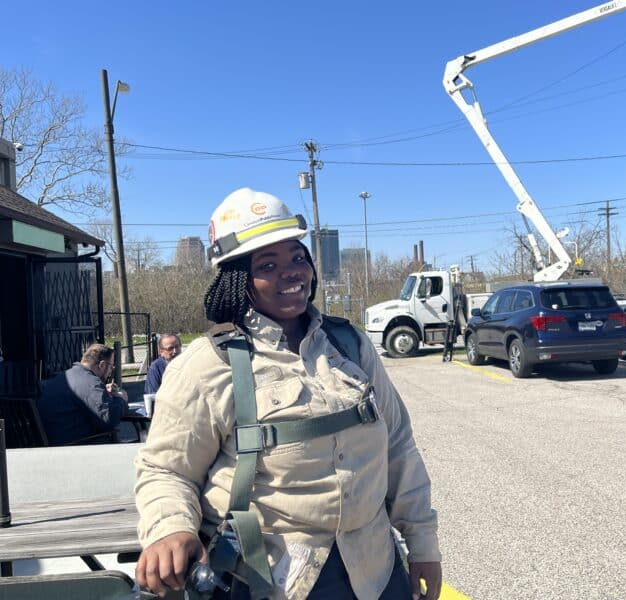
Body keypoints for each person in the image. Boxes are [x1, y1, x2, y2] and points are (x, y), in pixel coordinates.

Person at [135, 188, 442, 600]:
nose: (292, 272)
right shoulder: (208, 364)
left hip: (376, 571)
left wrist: (422, 544)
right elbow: (165, 470)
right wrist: (169, 528)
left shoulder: (349, 345)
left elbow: (399, 445)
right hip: (274, 579)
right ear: (238, 279)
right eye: (268, 265)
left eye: (298, 258)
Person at [38, 343, 129, 446]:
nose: (110, 371)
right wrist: (120, 398)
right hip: (77, 445)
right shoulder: (90, 382)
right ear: (102, 365)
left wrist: (103, 393)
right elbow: (110, 418)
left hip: (56, 439)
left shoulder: (65, 376)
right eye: (111, 367)